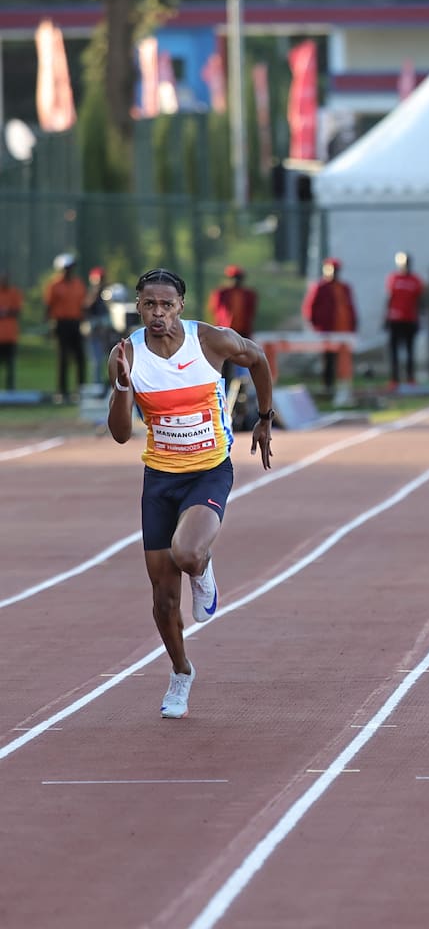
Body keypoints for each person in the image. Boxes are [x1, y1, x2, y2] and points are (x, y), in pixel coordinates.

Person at [106, 268, 277, 719]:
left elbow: (257, 358)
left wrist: (264, 415)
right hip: (160, 479)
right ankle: (181, 672)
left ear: (181, 305)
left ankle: (202, 570)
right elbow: (121, 434)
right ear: (138, 307)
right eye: (148, 305)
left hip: (208, 471)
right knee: (163, 599)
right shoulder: (127, 354)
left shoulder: (211, 342)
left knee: (186, 554)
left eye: (165, 305)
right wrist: (124, 384)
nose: (157, 314)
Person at [301, 257, 356, 394]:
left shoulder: (344, 287)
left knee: (343, 361)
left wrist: (353, 324)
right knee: (328, 360)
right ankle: (328, 387)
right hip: (327, 330)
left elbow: (350, 307)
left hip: (343, 330)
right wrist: (315, 324)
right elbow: (310, 307)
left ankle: (343, 388)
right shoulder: (320, 287)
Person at [44, 254, 87, 402]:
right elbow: (48, 306)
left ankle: (80, 389)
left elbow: (83, 306)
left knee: (80, 357)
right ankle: (62, 392)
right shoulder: (54, 285)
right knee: (63, 358)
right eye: (67, 268)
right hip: (61, 324)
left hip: (76, 323)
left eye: (71, 268)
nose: (69, 271)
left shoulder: (78, 284)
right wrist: (49, 326)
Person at [207, 264, 259, 382]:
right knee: (224, 365)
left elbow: (251, 313)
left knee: (245, 362)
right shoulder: (222, 293)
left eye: (238, 278)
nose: (236, 281)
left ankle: (242, 388)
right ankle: (225, 390)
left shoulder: (249, 294)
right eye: (234, 278)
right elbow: (215, 310)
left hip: (242, 332)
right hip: (225, 332)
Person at [385, 251, 424, 387]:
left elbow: (419, 300)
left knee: (410, 350)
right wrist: (386, 317)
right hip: (395, 320)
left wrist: (418, 318)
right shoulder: (393, 278)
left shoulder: (415, 280)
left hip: (410, 319)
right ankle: (394, 379)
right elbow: (389, 297)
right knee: (394, 351)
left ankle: (410, 378)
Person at [0, 273, 21, 390]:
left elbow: (16, 311)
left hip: (10, 336)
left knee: (10, 365)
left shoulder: (14, 293)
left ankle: (10, 390)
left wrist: (5, 312)